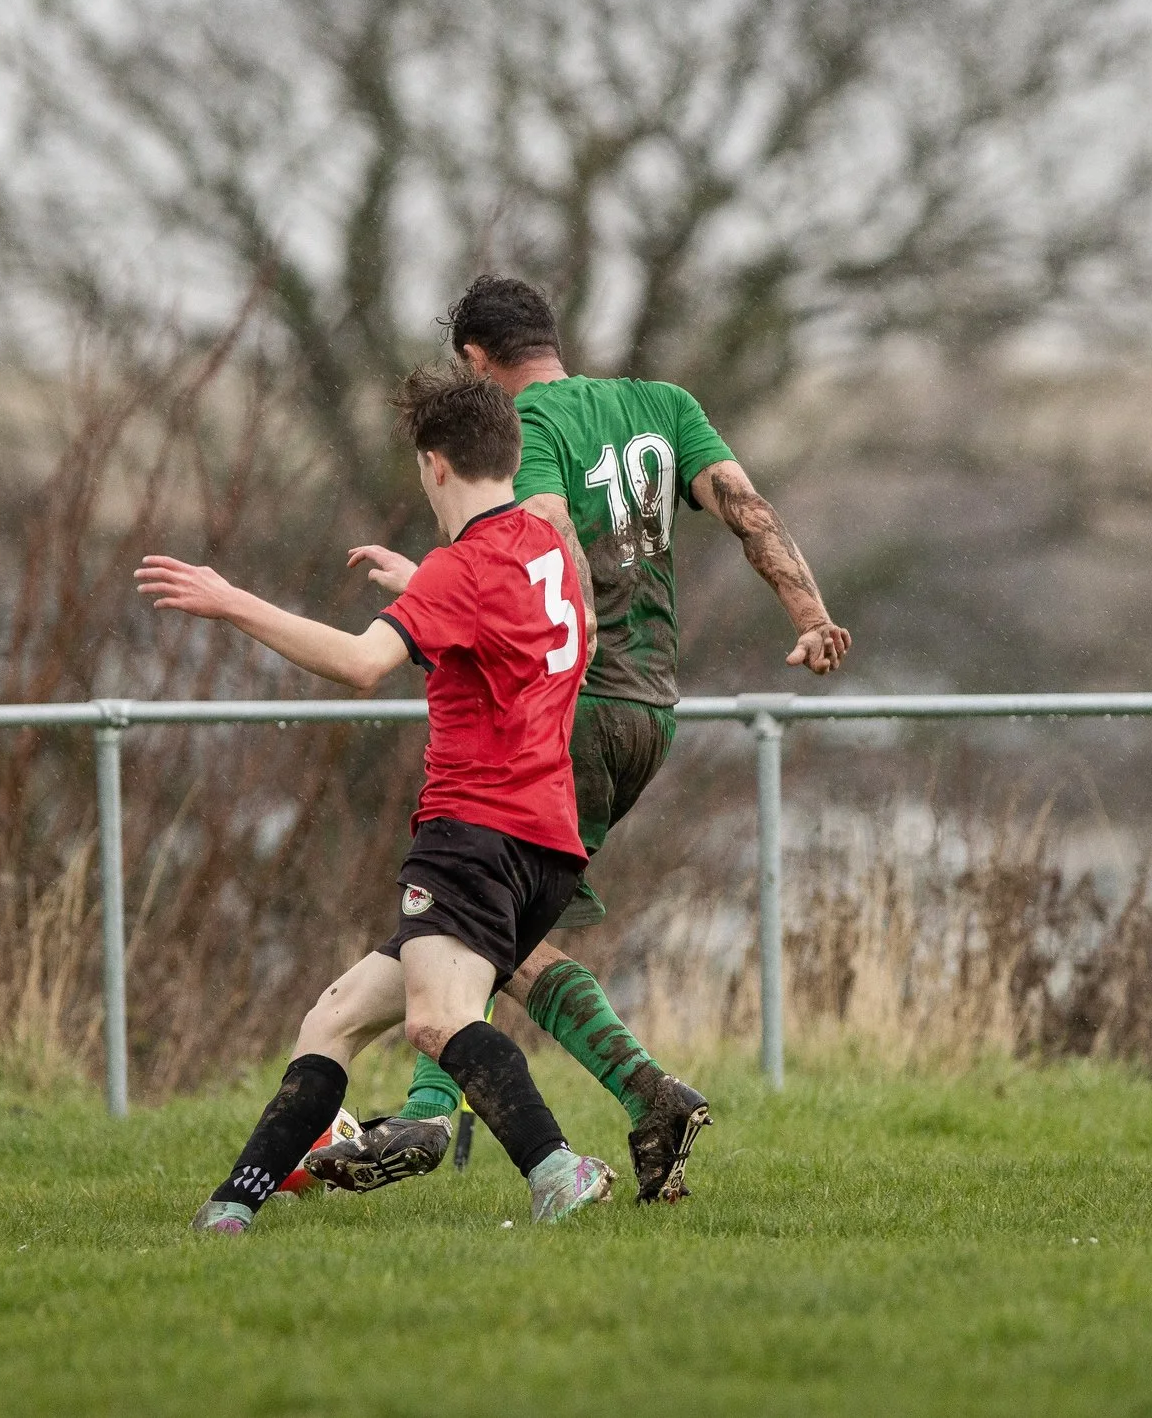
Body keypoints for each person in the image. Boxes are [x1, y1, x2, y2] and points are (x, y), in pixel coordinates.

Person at [303, 273, 852, 1204]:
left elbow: (543, 529)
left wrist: (556, 661)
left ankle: (453, 1111)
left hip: (575, 710)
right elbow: (748, 508)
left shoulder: (532, 429)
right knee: (504, 927)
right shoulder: (663, 404)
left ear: (477, 364)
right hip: (652, 712)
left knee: (474, 920)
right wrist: (812, 615)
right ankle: (544, 1102)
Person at [138, 364, 617, 1232]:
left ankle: (560, 1172)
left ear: (435, 467)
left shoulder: (459, 569)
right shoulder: (546, 547)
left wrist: (232, 601)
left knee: (438, 1022)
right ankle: (231, 1209)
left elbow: (362, 665)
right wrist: (423, 591)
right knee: (336, 1016)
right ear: (508, 455)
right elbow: (518, 648)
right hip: (544, 845)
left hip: (473, 834)